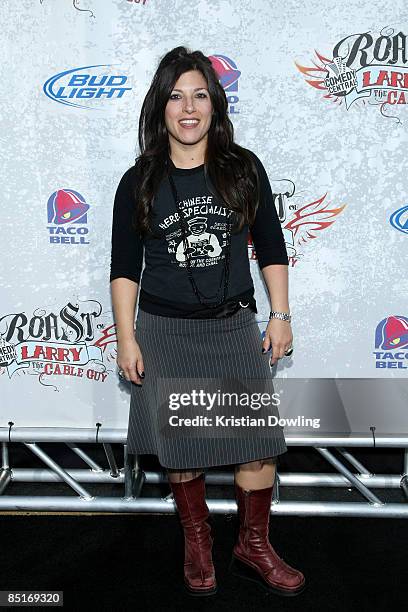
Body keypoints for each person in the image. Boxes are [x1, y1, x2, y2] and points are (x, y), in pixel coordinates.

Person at [110, 46, 305, 598]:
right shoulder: (139, 181)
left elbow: (271, 245)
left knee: (257, 445)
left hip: (234, 327)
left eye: (199, 95)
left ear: (215, 106)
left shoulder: (243, 169)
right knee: (183, 450)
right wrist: (127, 337)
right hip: (165, 332)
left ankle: (253, 543)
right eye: (176, 96)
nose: (188, 108)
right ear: (161, 108)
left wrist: (281, 315)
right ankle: (197, 540)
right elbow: (124, 268)